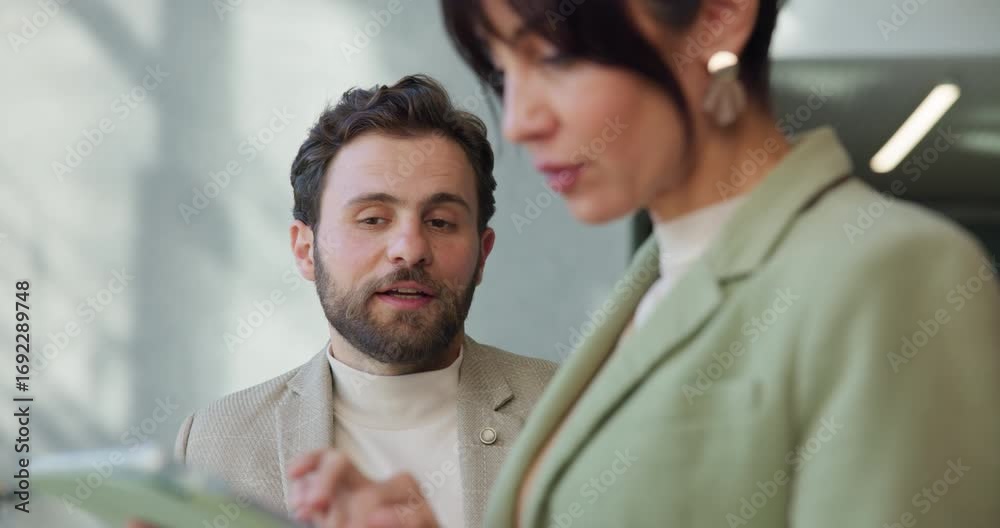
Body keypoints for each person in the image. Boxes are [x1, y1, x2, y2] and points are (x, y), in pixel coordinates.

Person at [288, 0, 1000, 527]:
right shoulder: (651, 290)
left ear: (719, 18)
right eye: (503, 73)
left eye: (555, 58)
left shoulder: (893, 272)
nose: (520, 121)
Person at [128, 74, 556, 528]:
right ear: (305, 250)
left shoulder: (569, 414)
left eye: (440, 222)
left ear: (482, 254)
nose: (410, 249)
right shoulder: (217, 442)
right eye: (372, 219)